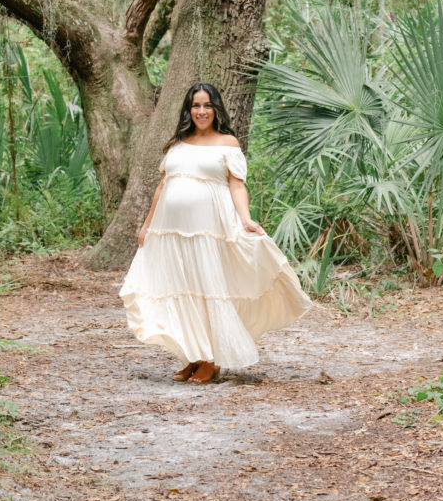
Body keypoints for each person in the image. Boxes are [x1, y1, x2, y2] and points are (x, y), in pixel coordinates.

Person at [119, 82, 312, 383]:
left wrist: (246, 220)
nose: (201, 111)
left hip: (208, 230)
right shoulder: (177, 143)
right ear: (188, 110)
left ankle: (212, 359)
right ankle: (193, 356)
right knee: (183, 291)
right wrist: (147, 225)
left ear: (216, 108)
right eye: (195, 105)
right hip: (171, 232)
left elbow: (236, 184)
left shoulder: (228, 143)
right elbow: (162, 186)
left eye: (207, 105)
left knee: (208, 289)